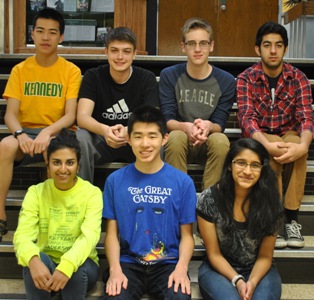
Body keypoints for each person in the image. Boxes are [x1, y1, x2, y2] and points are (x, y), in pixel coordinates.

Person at [0, 7, 81, 241]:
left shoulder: (70, 71)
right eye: (41, 31)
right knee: (4, 146)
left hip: (57, 133)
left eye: (53, 32)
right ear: (32, 34)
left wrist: (47, 132)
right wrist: (19, 134)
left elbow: (70, 115)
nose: (46, 37)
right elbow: (10, 115)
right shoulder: (20, 70)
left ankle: (51, 221)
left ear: (61, 37)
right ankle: (1, 216)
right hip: (26, 135)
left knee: (54, 149)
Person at [102, 105, 197, 299]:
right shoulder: (115, 180)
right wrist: (114, 269)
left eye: (152, 136)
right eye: (138, 136)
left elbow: (187, 236)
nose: (145, 144)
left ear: (164, 139)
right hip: (128, 263)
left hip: (168, 264)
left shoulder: (183, 182)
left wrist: (182, 267)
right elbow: (112, 233)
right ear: (128, 139)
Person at [237, 21, 314, 249]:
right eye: (267, 45)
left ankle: (291, 220)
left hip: (289, 133)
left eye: (278, 45)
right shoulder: (246, 78)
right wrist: (265, 144)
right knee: (274, 148)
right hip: (260, 135)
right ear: (257, 49)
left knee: (297, 146)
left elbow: (306, 117)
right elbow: (247, 119)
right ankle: (275, 220)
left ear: (285, 49)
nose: (273, 51)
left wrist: (303, 145)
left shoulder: (297, 78)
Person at [13, 128, 103, 300]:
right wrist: (33, 261)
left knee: (76, 269)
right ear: (48, 165)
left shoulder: (92, 193)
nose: (63, 169)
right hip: (48, 260)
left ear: (78, 166)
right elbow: (22, 236)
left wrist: (67, 266)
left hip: (83, 265)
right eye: (56, 162)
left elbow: (89, 237)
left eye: (70, 163)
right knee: (31, 261)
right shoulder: (36, 192)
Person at [197, 138, 283, 300]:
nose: (247, 171)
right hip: (218, 268)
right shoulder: (209, 199)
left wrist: (252, 281)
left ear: (262, 169)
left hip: (258, 268)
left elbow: (265, 256)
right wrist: (238, 280)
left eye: (255, 165)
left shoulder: (270, 201)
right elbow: (214, 254)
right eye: (241, 163)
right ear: (230, 165)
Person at [159, 17, 236, 189]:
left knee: (220, 140)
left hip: (207, 142)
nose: (198, 49)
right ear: (183, 47)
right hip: (178, 144)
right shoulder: (169, 75)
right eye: (191, 43)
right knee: (176, 136)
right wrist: (186, 127)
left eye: (203, 43)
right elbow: (168, 119)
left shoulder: (226, 81)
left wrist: (208, 126)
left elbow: (220, 123)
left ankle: (210, 203)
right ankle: (178, 199)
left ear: (211, 46)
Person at [76, 27, 159, 183]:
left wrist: (129, 130)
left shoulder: (146, 78)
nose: (120, 57)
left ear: (134, 54)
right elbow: (82, 117)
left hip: (135, 139)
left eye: (126, 51)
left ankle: (151, 198)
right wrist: (106, 130)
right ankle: (83, 198)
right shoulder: (93, 76)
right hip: (101, 138)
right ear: (106, 52)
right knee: (81, 138)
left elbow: (153, 116)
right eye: (114, 51)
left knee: (158, 139)